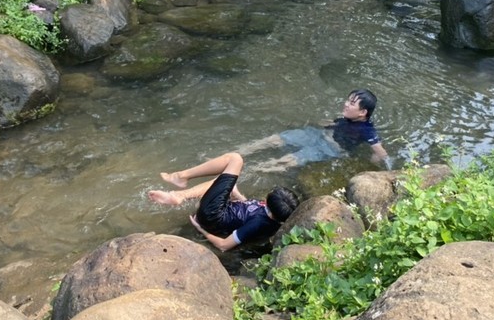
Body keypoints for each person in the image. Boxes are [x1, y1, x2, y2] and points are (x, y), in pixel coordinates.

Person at [148, 151, 298, 252]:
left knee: (235, 159)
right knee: (224, 180)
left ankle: (181, 178)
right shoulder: (271, 214)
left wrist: (201, 229)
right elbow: (252, 211)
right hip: (220, 210)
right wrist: (238, 196)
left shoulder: (258, 224)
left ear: (268, 207)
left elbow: (224, 245)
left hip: (213, 215)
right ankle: (179, 194)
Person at [242, 89, 390, 170]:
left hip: (328, 149)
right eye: (347, 100)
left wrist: (372, 165)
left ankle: (253, 169)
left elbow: (381, 152)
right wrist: (311, 122)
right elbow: (334, 124)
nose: (345, 104)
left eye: (351, 103)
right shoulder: (349, 117)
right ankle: (241, 153)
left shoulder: (367, 130)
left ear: (362, 112)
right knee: (276, 139)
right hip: (317, 135)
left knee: (288, 160)